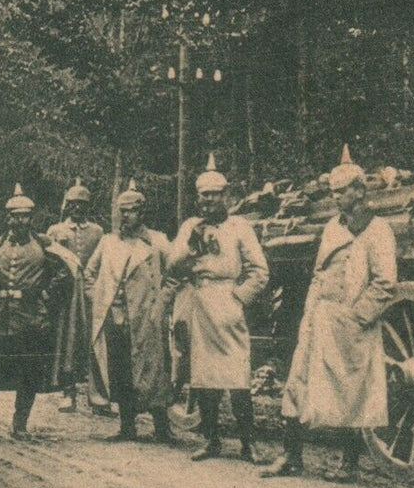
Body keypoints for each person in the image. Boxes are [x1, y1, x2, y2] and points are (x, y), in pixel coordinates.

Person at [263, 147, 397, 481]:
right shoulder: (332, 229)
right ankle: (291, 456)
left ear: (360, 191)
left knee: (351, 392)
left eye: (343, 191)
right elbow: (320, 273)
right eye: (333, 192)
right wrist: (311, 311)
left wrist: (357, 317)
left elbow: (385, 282)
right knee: (297, 382)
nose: (337, 197)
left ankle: (349, 463)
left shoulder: (378, 229)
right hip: (320, 317)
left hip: (352, 323)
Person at [0, 184, 88, 440]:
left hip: (30, 323)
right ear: (8, 218)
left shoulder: (44, 246)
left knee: (27, 373)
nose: (20, 220)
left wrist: (46, 299)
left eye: (25, 216)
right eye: (15, 216)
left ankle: (19, 426)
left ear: (31, 218)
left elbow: (67, 272)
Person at [168, 154, 269, 463]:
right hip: (198, 301)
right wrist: (191, 247)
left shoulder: (240, 227)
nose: (209, 200)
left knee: (238, 377)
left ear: (226, 196)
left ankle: (248, 443)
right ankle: (211, 439)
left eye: (215, 194)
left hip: (227, 302)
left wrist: (239, 297)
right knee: (204, 377)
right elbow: (172, 267)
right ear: (197, 197)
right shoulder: (190, 226)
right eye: (203, 195)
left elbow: (259, 271)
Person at [84, 180, 173, 443]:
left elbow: (175, 275)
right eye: (121, 211)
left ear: (142, 213)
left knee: (153, 371)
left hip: (147, 317)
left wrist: (162, 302)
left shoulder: (157, 241)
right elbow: (88, 275)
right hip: (115, 317)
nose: (125, 216)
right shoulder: (108, 242)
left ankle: (162, 428)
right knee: (119, 370)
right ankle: (127, 427)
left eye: (131, 210)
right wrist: (101, 300)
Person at [48, 178, 105, 412]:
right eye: (73, 204)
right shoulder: (56, 230)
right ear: (67, 206)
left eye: (82, 204)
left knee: (94, 341)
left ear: (88, 207)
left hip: (91, 293)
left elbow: (102, 263)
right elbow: (49, 263)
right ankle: (68, 392)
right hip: (66, 295)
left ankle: (98, 397)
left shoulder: (98, 232)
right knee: (67, 340)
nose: (77, 208)